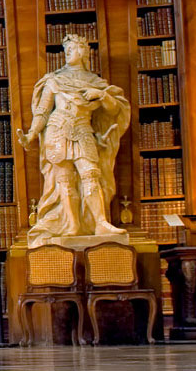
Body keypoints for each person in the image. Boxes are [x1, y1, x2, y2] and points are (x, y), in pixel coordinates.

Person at [18, 34, 130, 246]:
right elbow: (43, 111)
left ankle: (100, 222)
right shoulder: (54, 79)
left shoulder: (95, 82)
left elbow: (114, 109)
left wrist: (101, 95)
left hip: (82, 129)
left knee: (91, 174)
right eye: (66, 49)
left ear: (83, 51)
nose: (68, 52)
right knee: (65, 179)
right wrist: (31, 134)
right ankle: (72, 224)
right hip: (57, 130)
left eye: (73, 48)